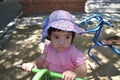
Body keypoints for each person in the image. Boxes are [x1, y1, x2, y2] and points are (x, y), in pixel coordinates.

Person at [22, 10, 87, 80]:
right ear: (49, 36)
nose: (62, 43)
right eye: (56, 37)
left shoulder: (73, 52)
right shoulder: (48, 47)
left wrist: (74, 73)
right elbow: (41, 59)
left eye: (67, 37)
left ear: (72, 36)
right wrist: (33, 63)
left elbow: (83, 68)